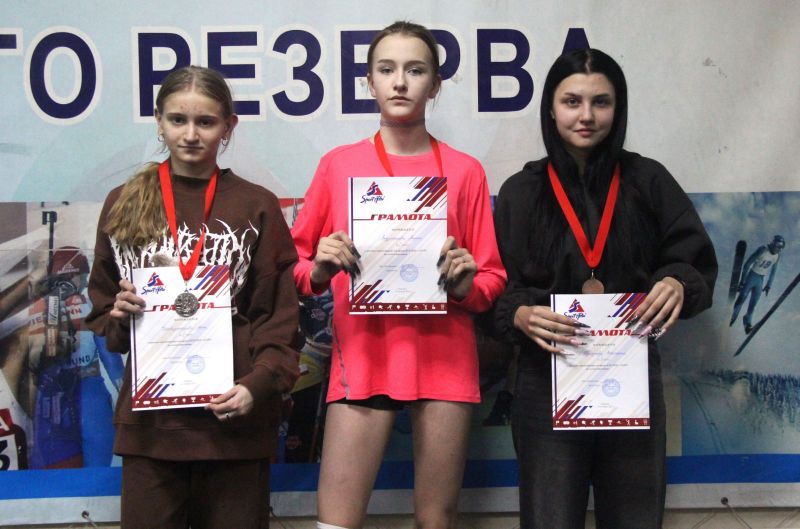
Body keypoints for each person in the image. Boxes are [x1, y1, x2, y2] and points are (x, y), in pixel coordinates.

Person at [291, 21, 507, 529]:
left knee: (436, 520)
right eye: (387, 70)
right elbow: (295, 269)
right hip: (364, 355)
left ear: (435, 85)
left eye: (416, 70)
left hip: (444, 359)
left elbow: (491, 279)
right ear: (369, 82)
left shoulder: (465, 171)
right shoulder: (338, 166)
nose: (401, 82)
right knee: (336, 522)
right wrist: (319, 268)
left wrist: (465, 284)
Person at [493, 49, 717, 529]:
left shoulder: (648, 180)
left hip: (630, 374)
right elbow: (496, 288)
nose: (587, 116)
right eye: (572, 101)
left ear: (619, 108)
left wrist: (677, 282)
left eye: (601, 102)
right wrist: (518, 314)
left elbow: (695, 263)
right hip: (546, 378)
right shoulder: (521, 191)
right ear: (550, 108)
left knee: (635, 519)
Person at [85, 66, 300, 529]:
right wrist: (119, 314)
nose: (190, 134)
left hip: (233, 418)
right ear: (159, 121)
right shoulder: (123, 202)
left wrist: (258, 385)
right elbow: (103, 310)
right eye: (178, 120)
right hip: (152, 428)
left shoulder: (256, 204)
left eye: (206, 122)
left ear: (228, 126)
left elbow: (277, 316)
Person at [730, 235, 785, 333]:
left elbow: (774, 271)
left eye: (781, 248)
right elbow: (748, 264)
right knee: (742, 298)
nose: (778, 250)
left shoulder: (777, 256)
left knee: (753, 303)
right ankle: (732, 317)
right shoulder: (763, 250)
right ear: (773, 244)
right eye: (778, 247)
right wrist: (742, 281)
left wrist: (769, 285)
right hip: (752, 276)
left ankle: (747, 322)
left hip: (760, 280)